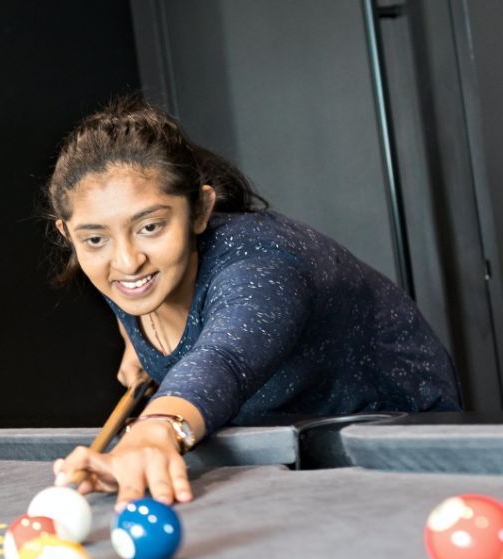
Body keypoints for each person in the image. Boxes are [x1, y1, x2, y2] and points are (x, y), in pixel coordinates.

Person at [49, 97, 460, 508]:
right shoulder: (125, 272)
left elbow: (224, 357)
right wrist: (134, 343)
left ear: (199, 210)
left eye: (150, 226)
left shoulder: (263, 263)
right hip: (282, 452)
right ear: (69, 235)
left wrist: (153, 432)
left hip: (396, 440)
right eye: (95, 238)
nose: (126, 261)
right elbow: (126, 281)